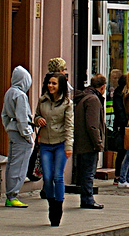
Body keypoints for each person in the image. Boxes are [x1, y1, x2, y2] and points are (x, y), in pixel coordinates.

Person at [36, 73, 74, 226]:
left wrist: (68, 146)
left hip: (60, 143)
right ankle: (52, 203)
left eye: (54, 84)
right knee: (47, 177)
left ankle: (58, 206)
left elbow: (69, 126)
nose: (50, 86)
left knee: (58, 176)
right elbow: (36, 115)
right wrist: (38, 119)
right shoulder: (42, 99)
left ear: (60, 86)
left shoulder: (67, 103)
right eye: (49, 83)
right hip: (45, 143)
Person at [27, 57, 68, 184]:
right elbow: (41, 111)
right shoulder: (54, 85)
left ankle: (49, 186)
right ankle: (48, 187)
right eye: (64, 69)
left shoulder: (49, 82)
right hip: (53, 131)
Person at [1, 65, 35, 208]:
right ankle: (13, 194)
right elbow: (22, 118)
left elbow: (4, 115)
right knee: (20, 164)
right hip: (21, 133)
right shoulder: (20, 95)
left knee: (12, 163)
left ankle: (11, 193)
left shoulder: (9, 92)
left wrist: (8, 128)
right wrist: (28, 134)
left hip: (12, 131)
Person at [73, 74, 107, 209]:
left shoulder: (84, 96)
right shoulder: (93, 100)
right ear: (103, 87)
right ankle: (87, 199)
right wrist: (98, 143)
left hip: (82, 141)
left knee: (85, 171)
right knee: (88, 172)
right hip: (88, 143)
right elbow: (92, 125)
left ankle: (86, 197)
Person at [111, 73, 127, 186]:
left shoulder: (123, 93)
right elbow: (119, 111)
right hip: (122, 126)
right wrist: (124, 123)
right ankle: (118, 175)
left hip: (122, 124)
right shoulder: (119, 94)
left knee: (125, 151)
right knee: (121, 151)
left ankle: (124, 175)